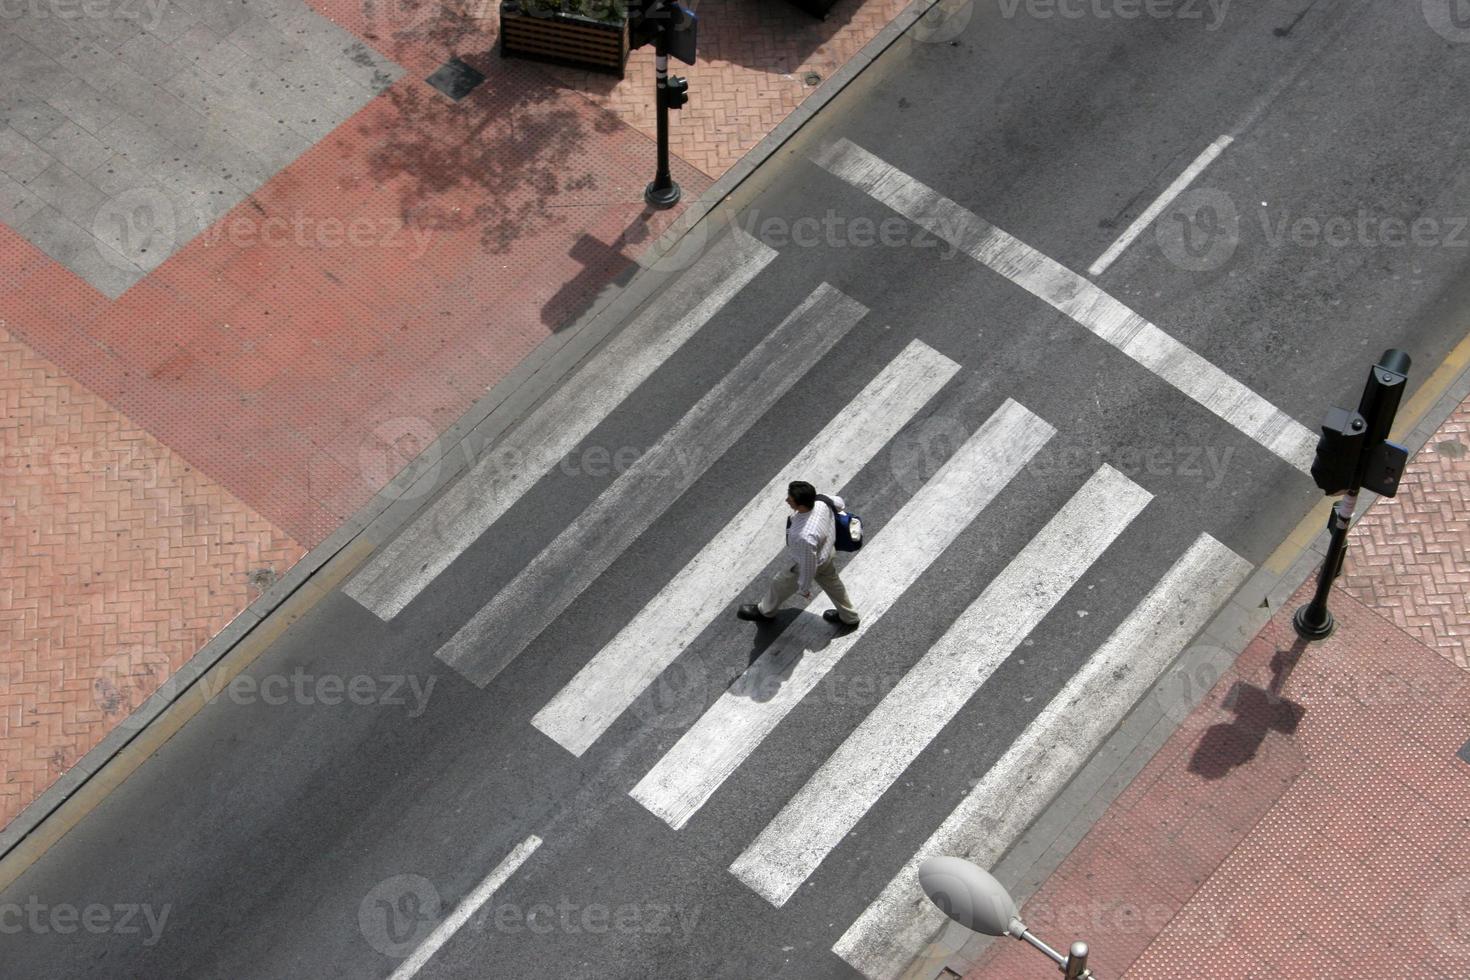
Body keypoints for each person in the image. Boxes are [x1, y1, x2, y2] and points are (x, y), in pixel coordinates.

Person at [737, 480, 861, 626]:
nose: (787, 500)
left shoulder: (805, 536)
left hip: (812, 561)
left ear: (801, 505)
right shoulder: (821, 501)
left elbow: (809, 565)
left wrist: (804, 588)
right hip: (827, 553)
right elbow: (839, 503)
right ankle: (850, 617)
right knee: (834, 585)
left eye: (790, 499)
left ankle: (765, 611)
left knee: (780, 583)